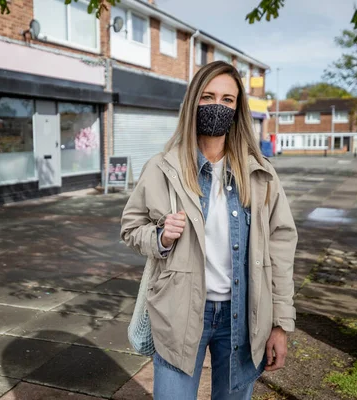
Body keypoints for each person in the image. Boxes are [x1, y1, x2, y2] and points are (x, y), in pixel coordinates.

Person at [120, 61, 297, 400]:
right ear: (193, 103)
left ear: (238, 108)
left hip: (244, 317)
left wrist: (280, 323)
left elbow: (282, 247)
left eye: (228, 100)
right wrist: (160, 237)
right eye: (208, 96)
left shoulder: (261, 175)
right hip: (179, 313)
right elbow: (131, 227)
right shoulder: (162, 168)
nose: (218, 106)